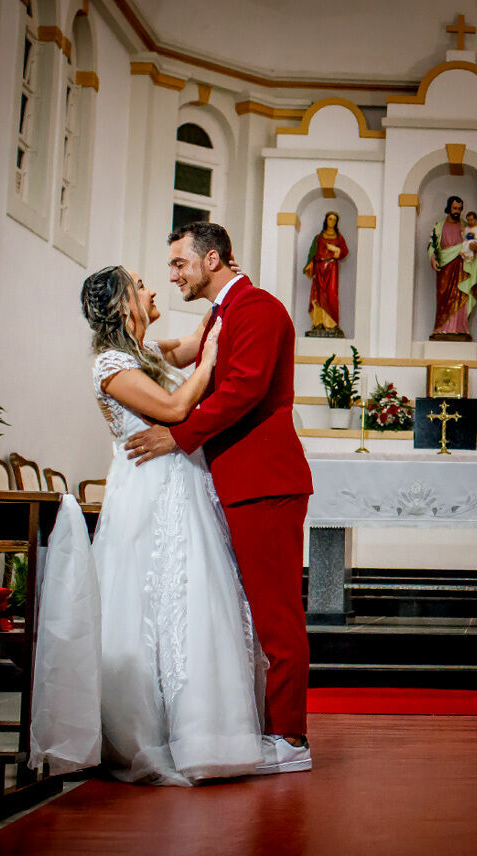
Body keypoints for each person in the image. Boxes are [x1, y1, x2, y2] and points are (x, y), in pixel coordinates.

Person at [123, 222, 315, 774]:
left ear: (212, 260)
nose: (173, 274)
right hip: (238, 481)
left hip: (265, 481)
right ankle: (265, 727)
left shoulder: (257, 309)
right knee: (252, 613)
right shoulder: (223, 313)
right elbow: (179, 355)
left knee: (277, 615)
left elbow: (243, 389)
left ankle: (292, 741)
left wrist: (175, 435)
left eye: (179, 263)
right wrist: (124, 342)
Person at [80, 264, 263, 785]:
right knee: (152, 599)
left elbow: (189, 340)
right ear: (121, 303)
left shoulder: (144, 353)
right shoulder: (112, 363)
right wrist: (208, 362)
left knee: (193, 598)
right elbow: (176, 406)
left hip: (182, 486)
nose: (154, 287)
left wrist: (221, 305)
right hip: (148, 491)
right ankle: (149, 730)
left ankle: (206, 730)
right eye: (141, 285)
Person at [427, 195, 477, 340]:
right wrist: (433, 258)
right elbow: (432, 245)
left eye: (460, 209)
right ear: (449, 207)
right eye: (455, 208)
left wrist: (474, 249)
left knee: (461, 294)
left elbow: (471, 246)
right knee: (444, 296)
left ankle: (460, 327)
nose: (457, 211)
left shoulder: (465, 227)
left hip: (461, 267)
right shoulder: (439, 226)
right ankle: (442, 328)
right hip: (445, 268)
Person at [302, 211, 349, 337]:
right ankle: (319, 322)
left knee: (331, 293)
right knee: (318, 294)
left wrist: (335, 249)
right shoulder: (319, 238)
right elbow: (312, 253)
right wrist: (310, 264)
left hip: (332, 268)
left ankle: (331, 324)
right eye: (330, 219)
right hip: (319, 267)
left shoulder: (339, 238)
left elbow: (345, 252)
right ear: (326, 221)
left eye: (334, 219)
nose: (332, 222)